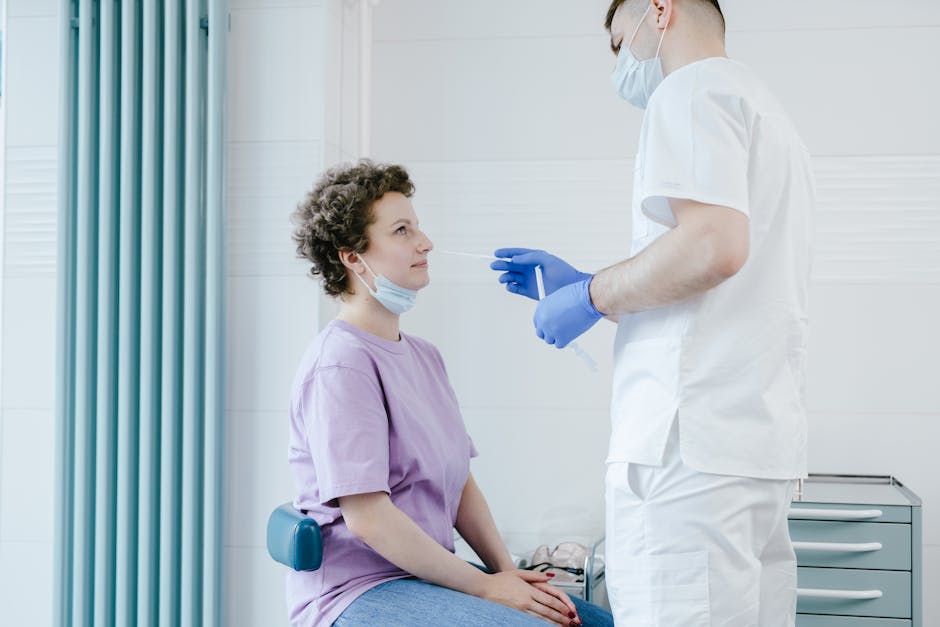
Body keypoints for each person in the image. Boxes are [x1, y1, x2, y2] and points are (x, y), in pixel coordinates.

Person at [491, 1, 814, 625]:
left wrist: (588, 297)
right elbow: (717, 292)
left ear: (658, 11)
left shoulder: (689, 90)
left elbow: (714, 248)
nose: (621, 63)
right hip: (753, 449)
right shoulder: (769, 113)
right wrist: (587, 282)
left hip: (686, 457)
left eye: (619, 42)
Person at [287, 160, 614, 627]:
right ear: (351, 257)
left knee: (595, 624)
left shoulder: (424, 357)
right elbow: (368, 518)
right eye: (402, 231)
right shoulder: (340, 364)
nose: (425, 243)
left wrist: (508, 573)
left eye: (417, 227)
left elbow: (460, 483)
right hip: (358, 590)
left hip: (425, 578)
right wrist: (484, 586)